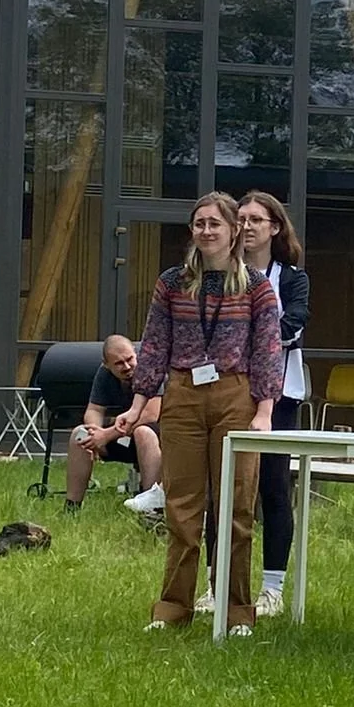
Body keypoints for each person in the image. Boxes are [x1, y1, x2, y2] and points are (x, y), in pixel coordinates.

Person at [121, 192, 283, 635]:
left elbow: (268, 350)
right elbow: (155, 344)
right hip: (183, 395)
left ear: (234, 230)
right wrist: (138, 405)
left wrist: (264, 411)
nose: (207, 231)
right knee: (182, 507)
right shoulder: (172, 282)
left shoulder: (256, 286)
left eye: (215, 223)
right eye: (199, 224)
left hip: (236, 395)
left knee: (236, 507)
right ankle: (173, 609)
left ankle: (236, 612)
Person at [234, 191, 310, 617]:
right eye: (240, 218)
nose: (246, 226)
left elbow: (293, 326)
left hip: (280, 394)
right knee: (225, 489)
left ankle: (273, 588)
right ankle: (219, 583)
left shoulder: (292, 278)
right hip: (228, 390)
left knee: (274, 487)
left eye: (255, 219)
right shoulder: (222, 274)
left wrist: (244, 338)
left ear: (275, 227)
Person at [65, 333, 162, 512]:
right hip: (120, 434)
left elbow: (150, 414)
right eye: (119, 363)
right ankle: (72, 506)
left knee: (143, 432)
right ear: (106, 365)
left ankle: (151, 507)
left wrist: (106, 435)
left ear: (136, 353)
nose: (127, 367)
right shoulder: (104, 374)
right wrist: (95, 433)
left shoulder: (150, 369)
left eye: (129, 359)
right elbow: (94, 409)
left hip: (155, 436)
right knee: (79, 434)